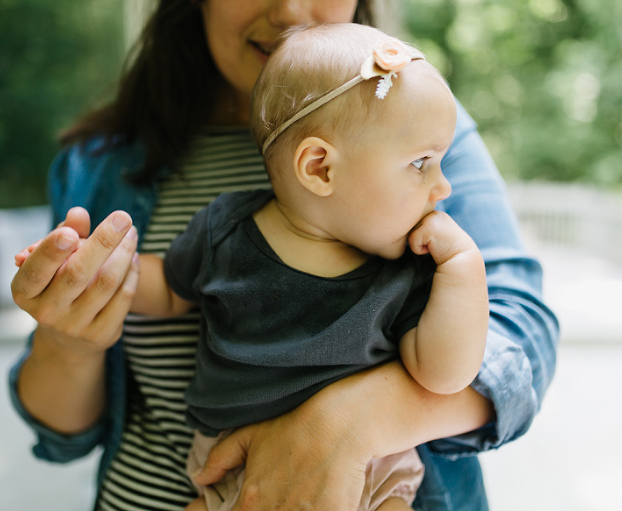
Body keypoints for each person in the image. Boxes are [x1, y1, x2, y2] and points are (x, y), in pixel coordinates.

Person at [8, 1, 559, 510]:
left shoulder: (418, 124)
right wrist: (78, 303)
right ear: (317, 166)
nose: (291, 9)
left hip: (380, 477)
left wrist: (347, 426)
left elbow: (517, 339)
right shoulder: (114, 171)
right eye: (421, 165)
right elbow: (65, 432)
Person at [89, 22, 484, 511]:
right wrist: (104, 273)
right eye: (421, 163)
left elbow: (444, 376)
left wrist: (465, 270)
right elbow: (168, 290)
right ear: (319, 167)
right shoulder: (225, 230)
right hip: (227, 465)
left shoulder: (408, 267)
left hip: (370, 470)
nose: (443, 187)